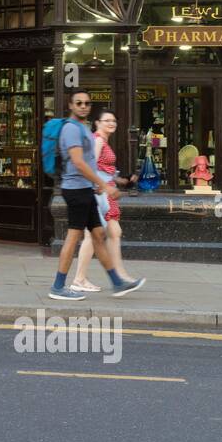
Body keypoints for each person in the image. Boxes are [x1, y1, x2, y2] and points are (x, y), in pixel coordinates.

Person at [50, 90, 145, 301]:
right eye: (79, 103)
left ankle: (117, 282)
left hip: (86, 190)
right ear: (71, 105)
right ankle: (58, 286)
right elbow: (78, 162)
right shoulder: (72, 130)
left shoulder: (82, 129)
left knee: (98, 236)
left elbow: (91, 162)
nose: (83, 106)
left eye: (87, 103)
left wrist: (103, 183)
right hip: (75, 190)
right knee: (74, 237)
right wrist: (104, 184)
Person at [72, 109, 133, 291]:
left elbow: (102, 168)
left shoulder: (102, 140)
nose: (111, 123)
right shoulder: (97, 140)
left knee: (114, 232)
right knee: (92, 235)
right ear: (97, 123)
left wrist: (120, 180)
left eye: (113, 120)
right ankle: (79, 279)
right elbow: (90, 166)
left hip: (104, 192)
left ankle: (120, 275)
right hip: (98, 194)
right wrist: (98, 188)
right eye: (106, 120)